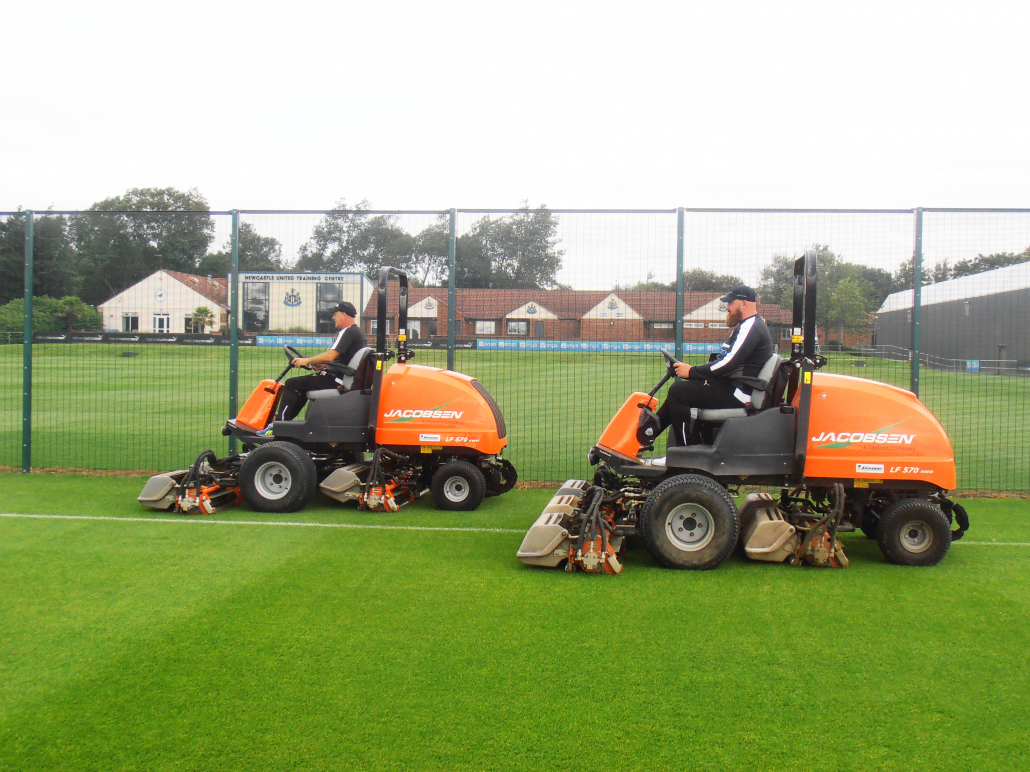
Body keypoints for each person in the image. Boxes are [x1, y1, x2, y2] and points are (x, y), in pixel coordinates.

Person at [656, 284, 773, 445]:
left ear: (744, 304)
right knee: (680, 392)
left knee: (678, 391)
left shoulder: (750, 327)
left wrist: (692, 372)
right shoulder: (746, 326)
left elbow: (728, 364)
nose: (727, 308)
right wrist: (695, 373)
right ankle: (647, 435)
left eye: (731, 303)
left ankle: (683, 452)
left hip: (739, 392)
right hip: (732, 386)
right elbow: (722, 362)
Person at [272, 301, 368, 423]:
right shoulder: (356, 332)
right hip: (341, 376)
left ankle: (279, 425)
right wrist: (326, 366)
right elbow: (345, 360)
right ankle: (285, 422)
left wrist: (306, 361)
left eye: (335, 314)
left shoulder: (348, 332)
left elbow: (330, 356)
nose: (333, 317)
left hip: (337, 381)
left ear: (344, 314)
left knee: (292, 384)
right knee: (300, 385)